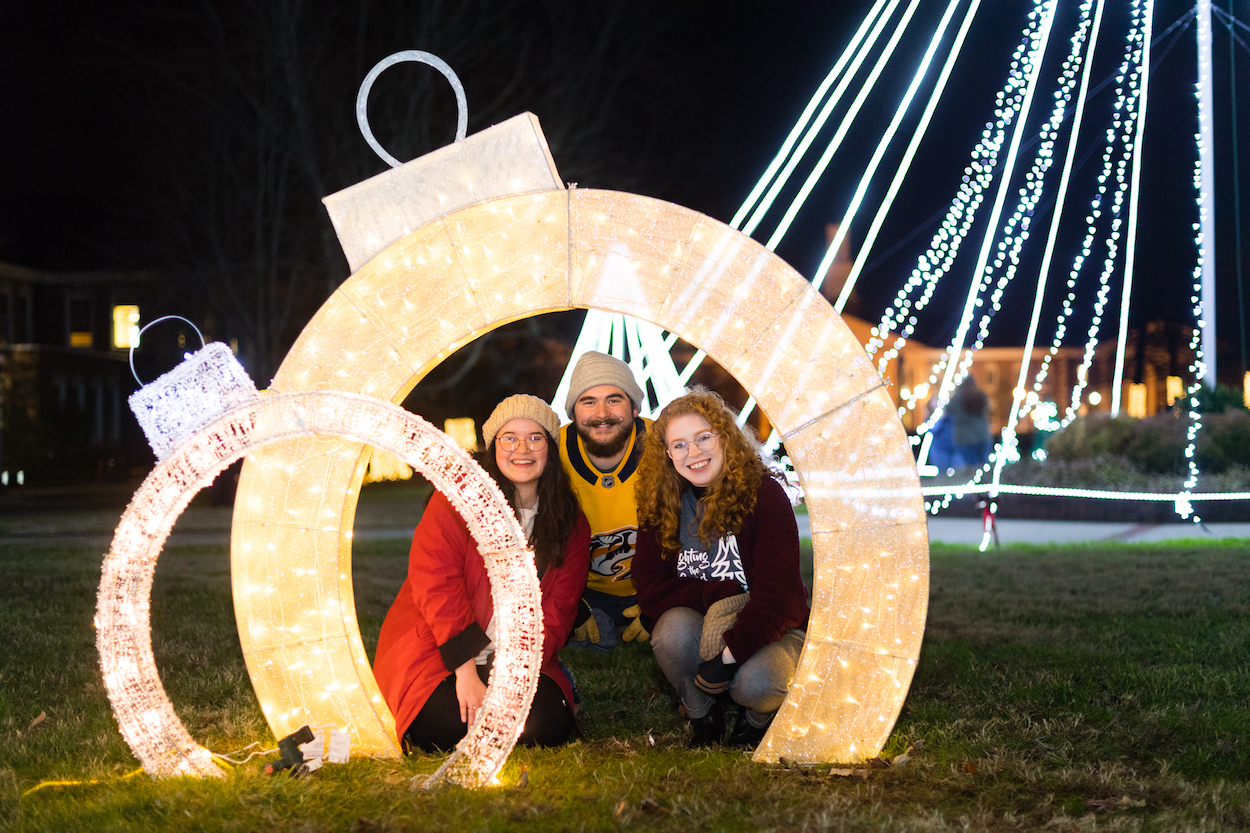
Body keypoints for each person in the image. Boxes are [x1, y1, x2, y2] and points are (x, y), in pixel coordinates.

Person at [372, 395, 590, 752]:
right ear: (493, 446)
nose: (523, 448)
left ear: (550, 449)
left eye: (535, 438)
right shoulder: (457, 499)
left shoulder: (570, 523)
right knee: (447, 726)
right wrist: (466, 672)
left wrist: (516, 674)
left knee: (544, 726)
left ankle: (555, 688)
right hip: (440, 651)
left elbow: (559, 611)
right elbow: (437, 585)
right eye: (510, 438)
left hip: (516, 659)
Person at [632, 389, 809, 750]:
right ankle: (703, 715)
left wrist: (726, 660)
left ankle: (755, 718)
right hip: (702, 620)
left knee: (754, 682)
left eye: (703, 438)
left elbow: (776, 597)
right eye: (679, 445)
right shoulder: (663, 504)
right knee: (670, 632)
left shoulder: (765, 496)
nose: (693, 453)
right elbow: (649, 589)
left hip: (769, 626)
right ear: (666, 455)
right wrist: (712, 592)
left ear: (724, 437)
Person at [558, 351, 652, 651]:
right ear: (573, 413)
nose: (601, 413)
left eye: (614, 399)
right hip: (583, 592)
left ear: (634, 408)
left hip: (655, 584)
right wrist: (569, 603)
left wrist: (667, 597)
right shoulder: (550, 451)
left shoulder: (665, 442)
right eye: (588, 401)